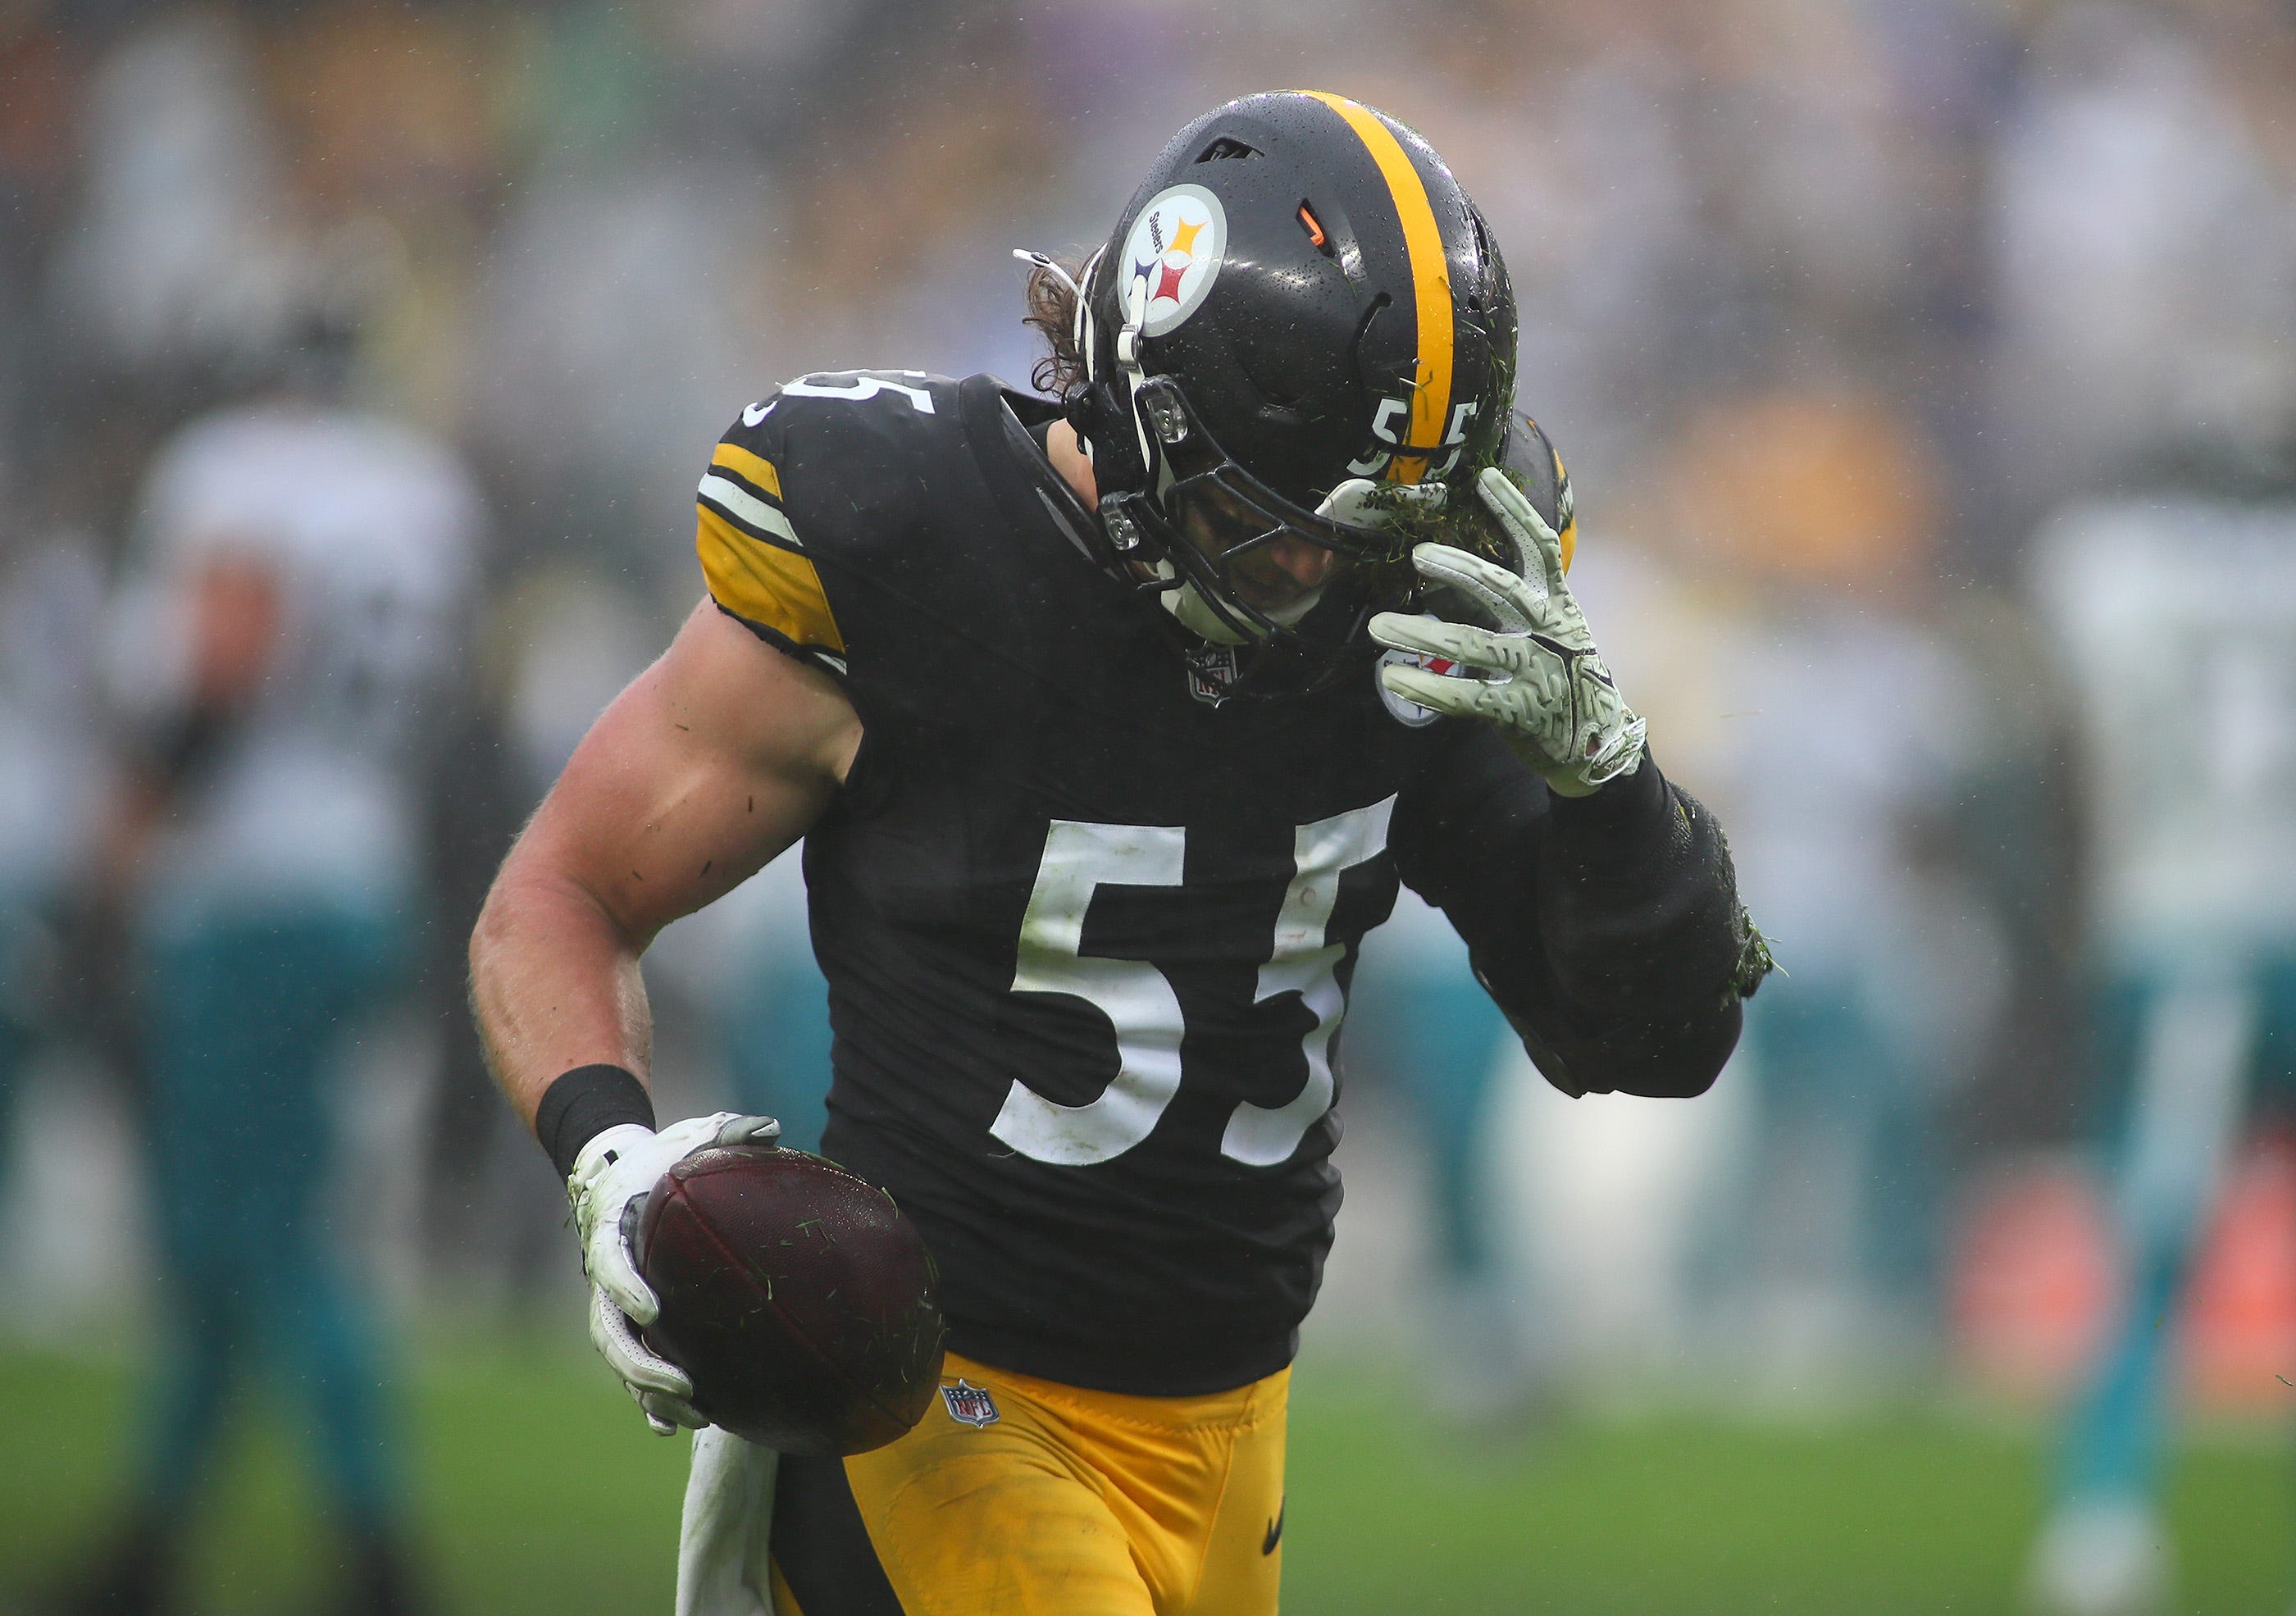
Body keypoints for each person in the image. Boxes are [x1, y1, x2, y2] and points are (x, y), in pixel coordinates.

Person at [470, 91, 1767, 1615]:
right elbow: (556, 894)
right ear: (1140, 404)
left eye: (1351, 543)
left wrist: (1610, 784)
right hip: (940, 1402)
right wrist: (612, 1161)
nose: (1314, 579)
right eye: (1271, 525)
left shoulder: (1398, 578)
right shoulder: (920, 548)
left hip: (1236, 1428)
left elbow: (1653, 1040)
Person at [53, 294, 480, 1616]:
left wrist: (123, 836)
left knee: (264, 1236)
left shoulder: (240, 474)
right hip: (360, 875)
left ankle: (375, 1545)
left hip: (250, 893)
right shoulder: (423, 488)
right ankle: (152, 1536)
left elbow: (228, 652)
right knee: (221, 1242)